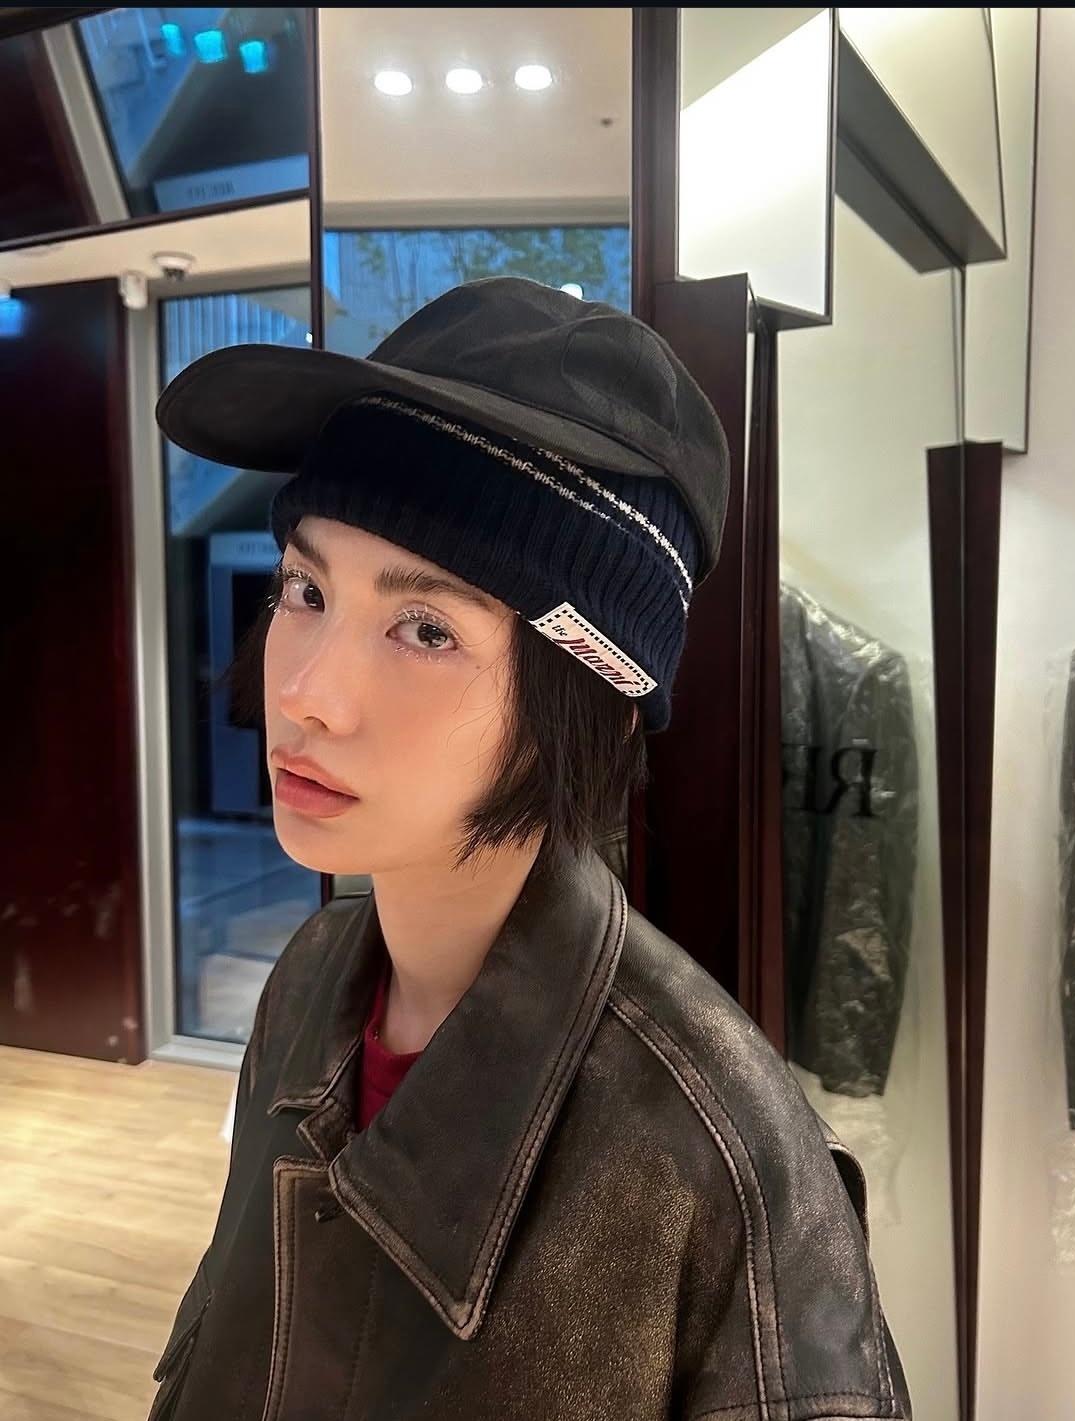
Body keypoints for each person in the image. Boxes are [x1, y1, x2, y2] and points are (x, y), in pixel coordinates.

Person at [147, 276, 913, 1420]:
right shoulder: (307, 984)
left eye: (425, 628)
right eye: (305, 588)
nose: (306, 691)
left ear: (585, 699)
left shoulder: (721, 1155)